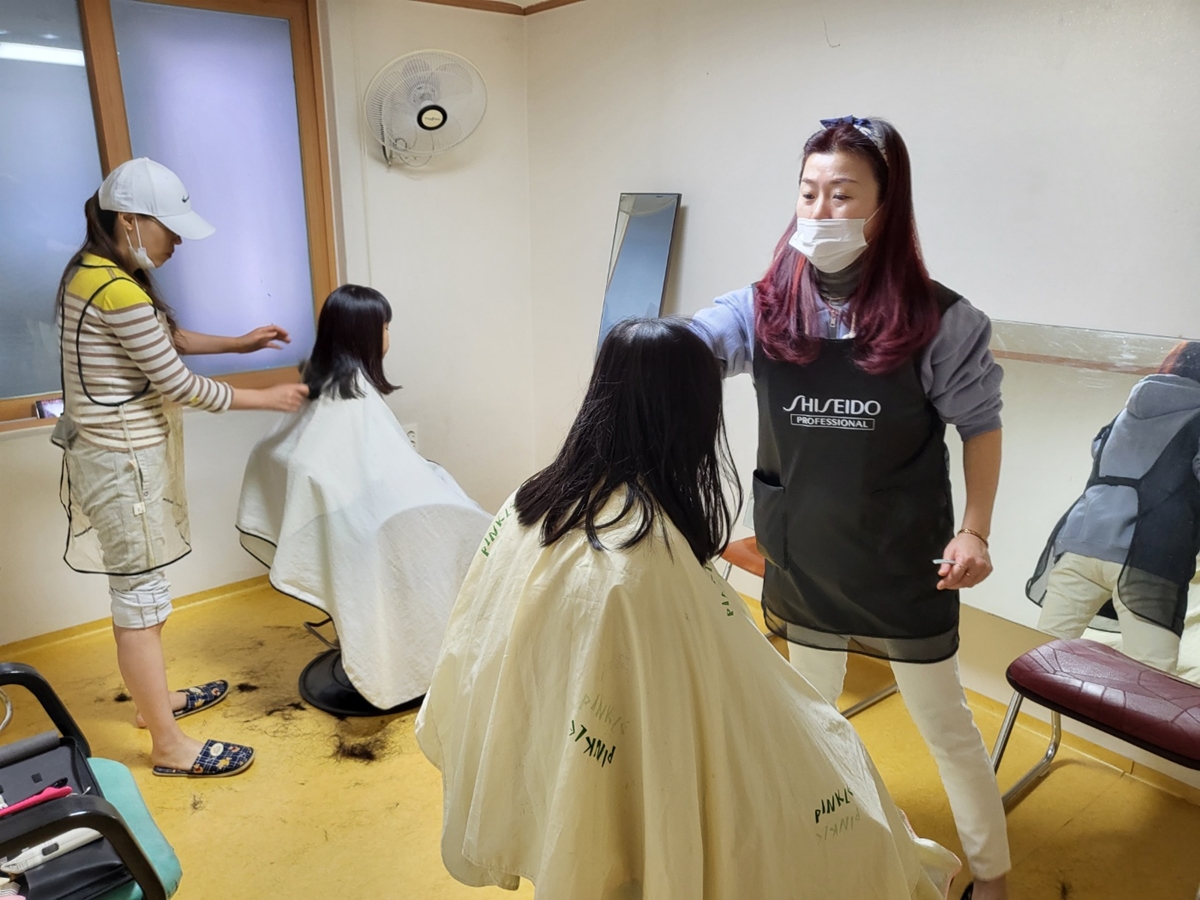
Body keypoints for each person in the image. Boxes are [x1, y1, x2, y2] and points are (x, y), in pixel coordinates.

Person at [415, 318, 960, 900]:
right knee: (844, 779)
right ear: (692, 417)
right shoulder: (641, 563)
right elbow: (689, 720)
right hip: (628, 744)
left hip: (546, 747)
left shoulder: (533, 499)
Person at [691, 116, 1009, 898]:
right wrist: (647, 353)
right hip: (802, 553)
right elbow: (689, 348)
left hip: (904, 559)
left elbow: (980, 425)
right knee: (809, 715)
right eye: (808, 193)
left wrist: (974, 530)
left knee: (945, 727)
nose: (820, 211)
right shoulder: (762, 309)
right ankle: (823, 844)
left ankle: (993, 876)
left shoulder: (941, 321)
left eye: (842, 194)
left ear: (885, 203)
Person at [54, 157, 309, 777]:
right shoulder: (114, 288)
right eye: (169, 229)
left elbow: (166, 339)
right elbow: (180, 383)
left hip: (114, 459)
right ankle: (168, 747)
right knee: (140, 602)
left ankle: (154, 705)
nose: (177, 243)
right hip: (122, 466)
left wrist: (240, 342)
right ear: (130, 220)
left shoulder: (94, 273)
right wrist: (268, 397)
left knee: (144, 597)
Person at [236, 285, 492, 712]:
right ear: (366, 334)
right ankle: (421, 660)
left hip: (348, 514)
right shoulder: (352, 394)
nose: (389, 335)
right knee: (479, 527)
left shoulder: (321, 381)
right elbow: (386, 476)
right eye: (385, 327)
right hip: (371, 520)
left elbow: (285, 453)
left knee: (444, 496)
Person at [1028, 341, 1200, 673]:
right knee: (1148, 676)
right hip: (1149, 556)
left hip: (1080, 541)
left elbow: (1099, 449)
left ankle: (1027, 708)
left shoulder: (1127, 411)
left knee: (1041, 659)